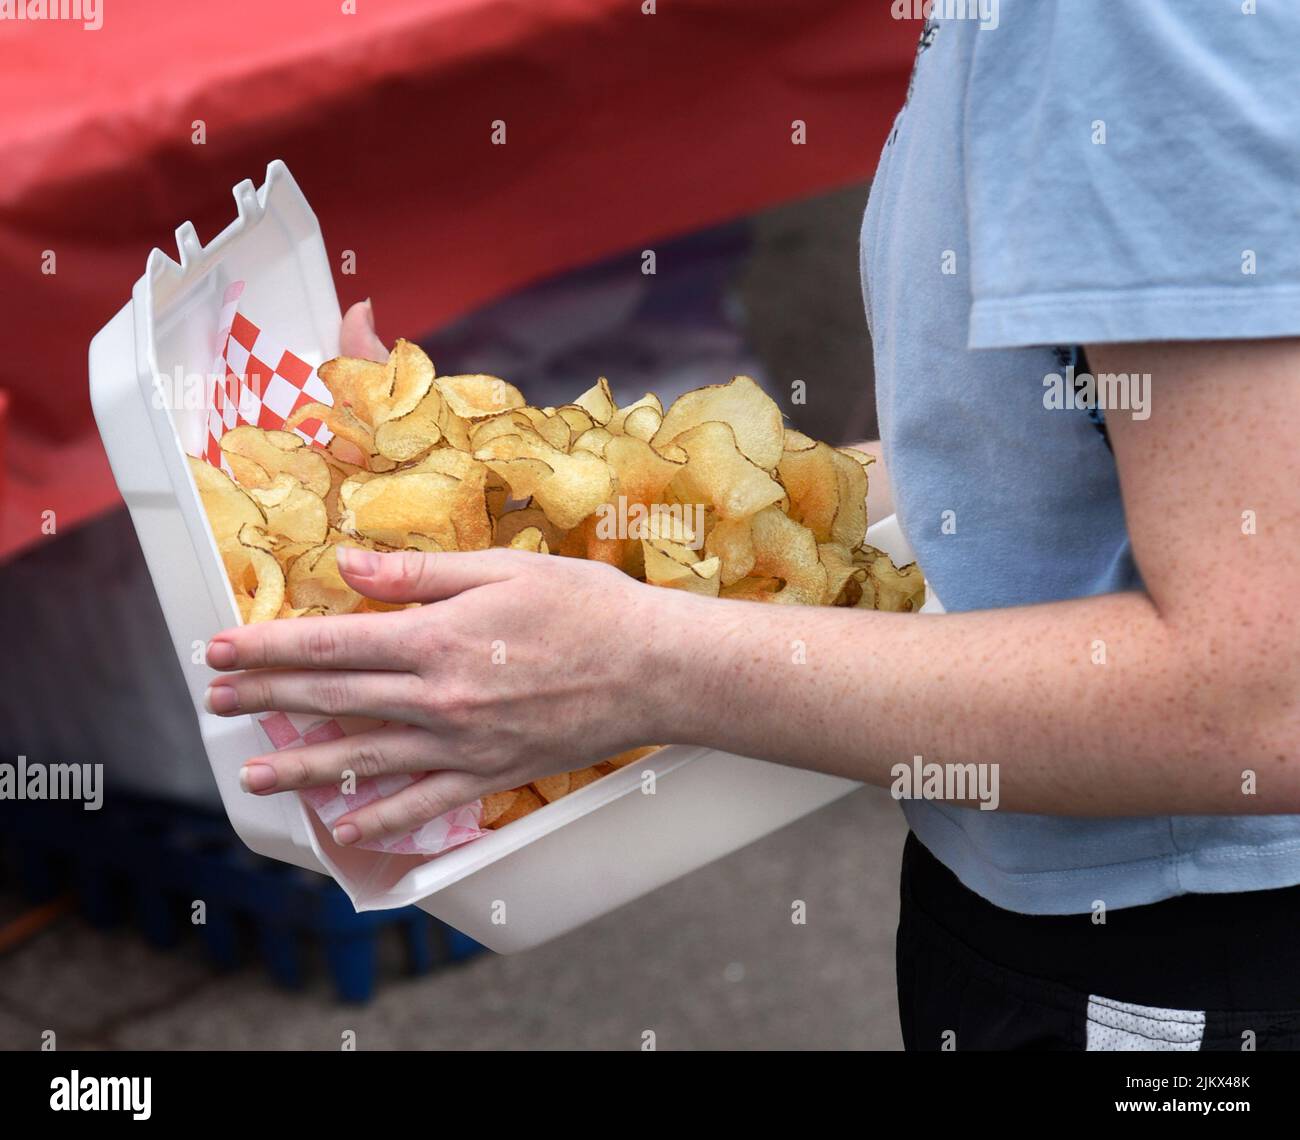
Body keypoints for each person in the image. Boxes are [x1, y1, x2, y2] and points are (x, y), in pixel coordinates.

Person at [201, 3, 1300, 1050]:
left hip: (1189, 966)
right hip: (1025, 896)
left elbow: (1261, 698)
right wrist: (524, 490)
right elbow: (1039, 457)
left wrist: (645, 667)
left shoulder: (1135, 21)